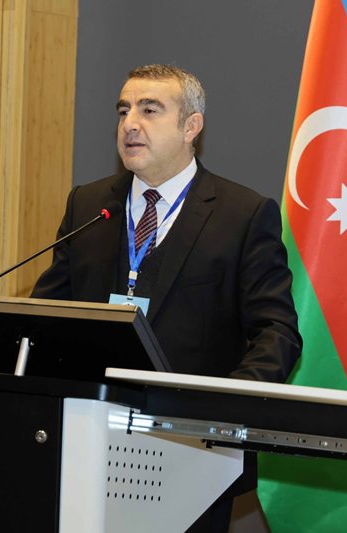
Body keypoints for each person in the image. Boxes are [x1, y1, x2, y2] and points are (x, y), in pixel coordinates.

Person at [31, 64, 302, 531]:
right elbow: (46, 317)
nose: (130, 124)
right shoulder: (89, 205)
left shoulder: (243, 214)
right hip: (85, 442)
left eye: (149, 110)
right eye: (123, 110)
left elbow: (277, 332)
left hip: (192, 454)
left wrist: (221, 413)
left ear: (191, 126)